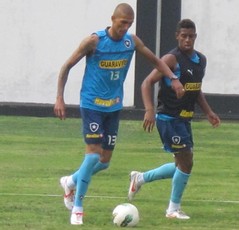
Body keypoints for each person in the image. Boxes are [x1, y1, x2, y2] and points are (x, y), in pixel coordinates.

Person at [54, 3, 184, 225]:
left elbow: (155, 60)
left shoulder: (130, 42)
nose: (125, 27)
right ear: (112, 19)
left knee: (104, 162)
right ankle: (78, 207)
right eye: (122, 22)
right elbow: (67, 66)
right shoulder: (94, 41)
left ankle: (71, 182)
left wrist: (172, 78)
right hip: (92, 104)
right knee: (93, 155)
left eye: (129, 24)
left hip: (113, 107)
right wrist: (59, 97)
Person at [128, 19, 221, 220]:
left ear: (195, 37)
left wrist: (208, 112)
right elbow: (147, 83)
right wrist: (149, 110)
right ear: (177, 36)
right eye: (184, 36)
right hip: (169, 118)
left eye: (191, 36)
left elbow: (196, 90)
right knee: (186, 162)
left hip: (184, 119)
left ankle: (140, 178)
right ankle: (172, 209)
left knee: (182, 164)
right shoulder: (171, 59)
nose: (187, 40)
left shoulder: (201, 60)